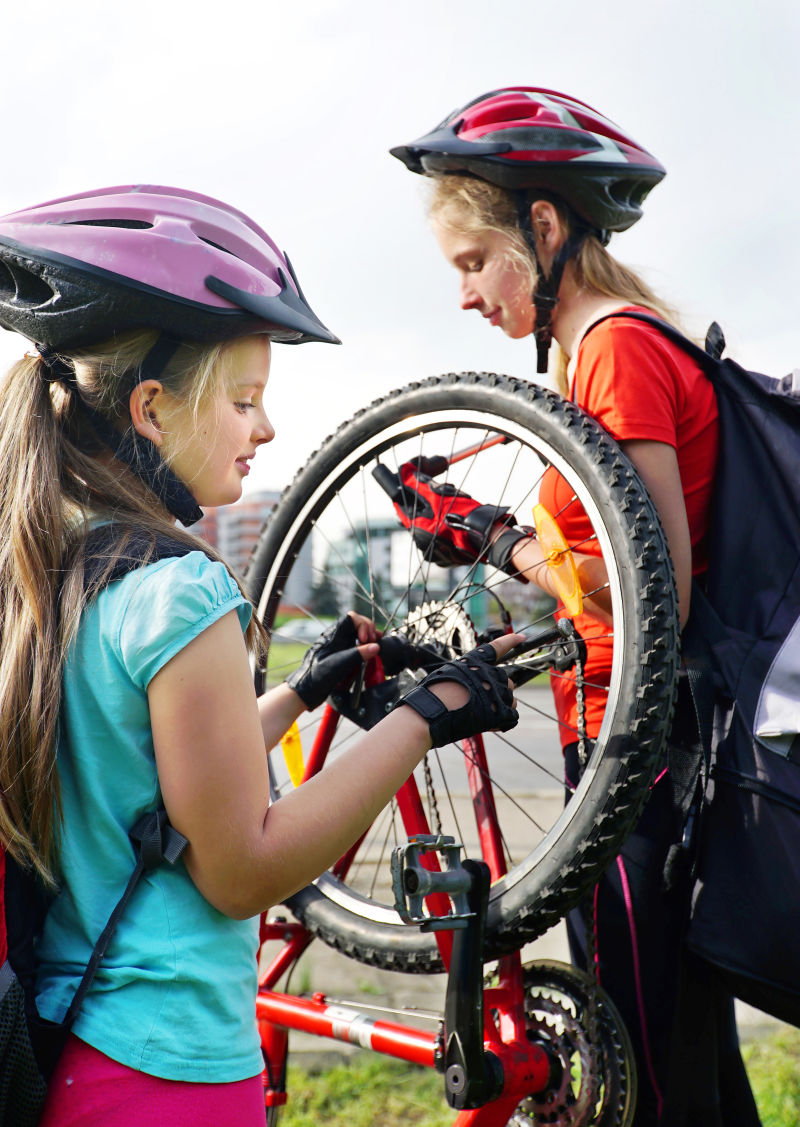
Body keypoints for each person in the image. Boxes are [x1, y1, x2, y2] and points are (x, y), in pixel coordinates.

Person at [0, 184, 522, 1127]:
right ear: (152, 407)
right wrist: (427, 713)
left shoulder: (62, 567)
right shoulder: (181, 589)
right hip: (178, 1071)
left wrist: (301, 689)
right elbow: (240, 864)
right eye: (245, 400)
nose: (266, 429)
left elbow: (153, 783)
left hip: (74, 1054)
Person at [391, 88, 761, 1126]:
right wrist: (499, 547)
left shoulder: (613, 348)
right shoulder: (610, 344)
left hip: (637, 755)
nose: (466, 296)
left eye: (473, 263)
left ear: (542, 228)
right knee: (680, 1060)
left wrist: (499, 537)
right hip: (633, 740)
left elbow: (650, 585)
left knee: (643, 1069)